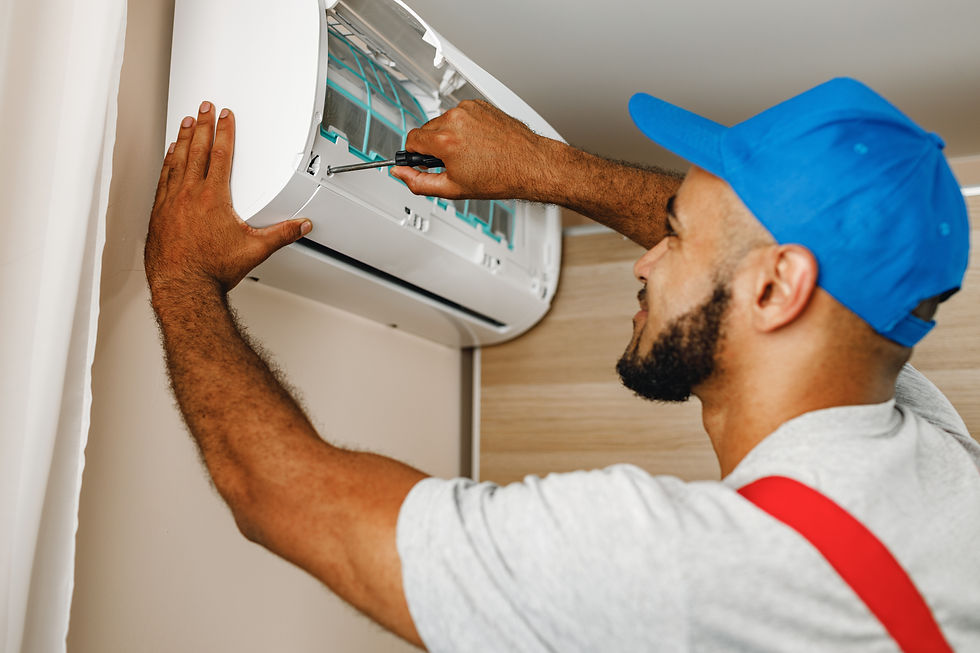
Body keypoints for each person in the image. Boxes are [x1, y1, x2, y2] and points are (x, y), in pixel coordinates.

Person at [145, 78, 980, 651]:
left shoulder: (686, 568)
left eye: (675, 234)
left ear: (778, 290)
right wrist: (547, 167)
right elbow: (742, 250)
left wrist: (183, 275)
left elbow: (278, 493)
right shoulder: (927, 448)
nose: (645, 262)